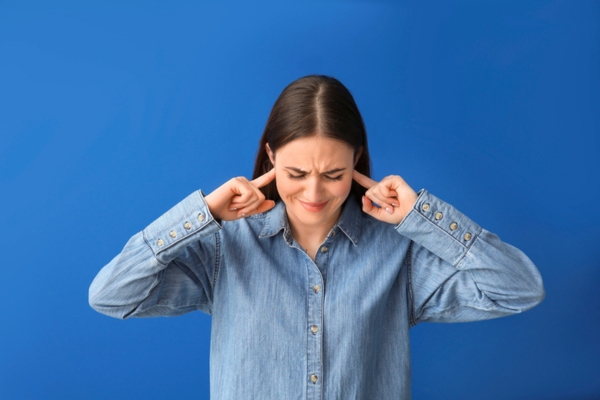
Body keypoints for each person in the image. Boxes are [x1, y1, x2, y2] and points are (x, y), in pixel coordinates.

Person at [89, 75, 545, 399]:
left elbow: (519, 289)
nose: (312, 191)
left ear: (357, 161)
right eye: (295, 172)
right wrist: (204, 212)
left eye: (333, 173)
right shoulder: (226, 247)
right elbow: (111, 296)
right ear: (270, 156)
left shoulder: (399, 253)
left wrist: (421, 214)